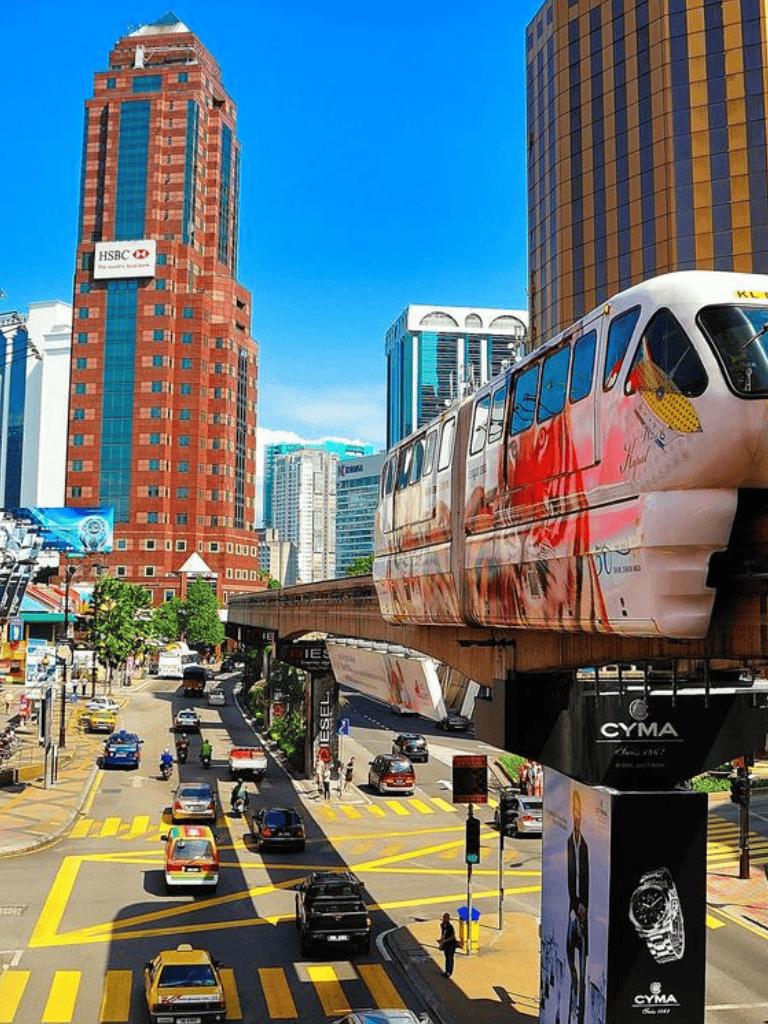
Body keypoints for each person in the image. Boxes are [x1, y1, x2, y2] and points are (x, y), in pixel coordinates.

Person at [566, 788, 589, 1024]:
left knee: (581, 968)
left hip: (583, 914)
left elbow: (587, 881)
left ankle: (580, 1014)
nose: (576, 815)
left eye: (578, 810)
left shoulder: (586, 846)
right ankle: (571, 1007)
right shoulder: (567, 842)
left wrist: (584, 908)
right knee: (568, 958)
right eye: (573, 810)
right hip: (572, 912)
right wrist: (574, 906)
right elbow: (569, 878)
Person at [437, 912, 460, 978]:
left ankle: (449, 972)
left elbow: (452, 937)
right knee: (446, 958)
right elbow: (443, 934)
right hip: (446, 944)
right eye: (444, 918)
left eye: (446, 918)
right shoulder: (442, 925)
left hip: (451, 944)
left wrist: (444, 940)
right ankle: (446, 971)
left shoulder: (450, 927)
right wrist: (441, 941)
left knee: (450, 958)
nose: (445, 919)